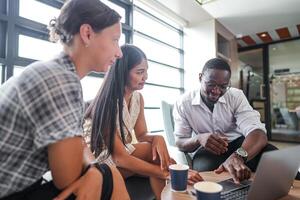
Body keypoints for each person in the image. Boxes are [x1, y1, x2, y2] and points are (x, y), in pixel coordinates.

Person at [0, 0, 129, 199]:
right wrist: (95, 174)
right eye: (114, 40)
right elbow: (66, 178)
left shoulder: (55, 71)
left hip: (19, 187)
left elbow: (79, 144)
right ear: (87, 33)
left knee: (104, 173)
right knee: (109, 175)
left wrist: (94, 169)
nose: (119, 52)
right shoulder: (61, 80)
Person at [84, 44, 203, 200]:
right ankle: (174, 183)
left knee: (151, 149)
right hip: (97, 162)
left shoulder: (137, 98)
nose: (145, 77)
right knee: (150, 154)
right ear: (122, 73)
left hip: (119, 156)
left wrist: (157, 138)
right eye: (140, 72)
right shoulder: (108, 103)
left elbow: (141, 134)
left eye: (146, 71)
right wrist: (167, 172)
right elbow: (119, 157)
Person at [173, 58, 278, 184]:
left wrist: (238, 156)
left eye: (223, 86)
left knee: (277, 162)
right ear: (200, 77)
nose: (216, 91)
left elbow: (258, 133)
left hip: (240, 145)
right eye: (211, 84)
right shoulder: (183, 103)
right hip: (207, 150)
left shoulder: (236, 96)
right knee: (206, 178)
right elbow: (180, 142)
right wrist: (198, 138)